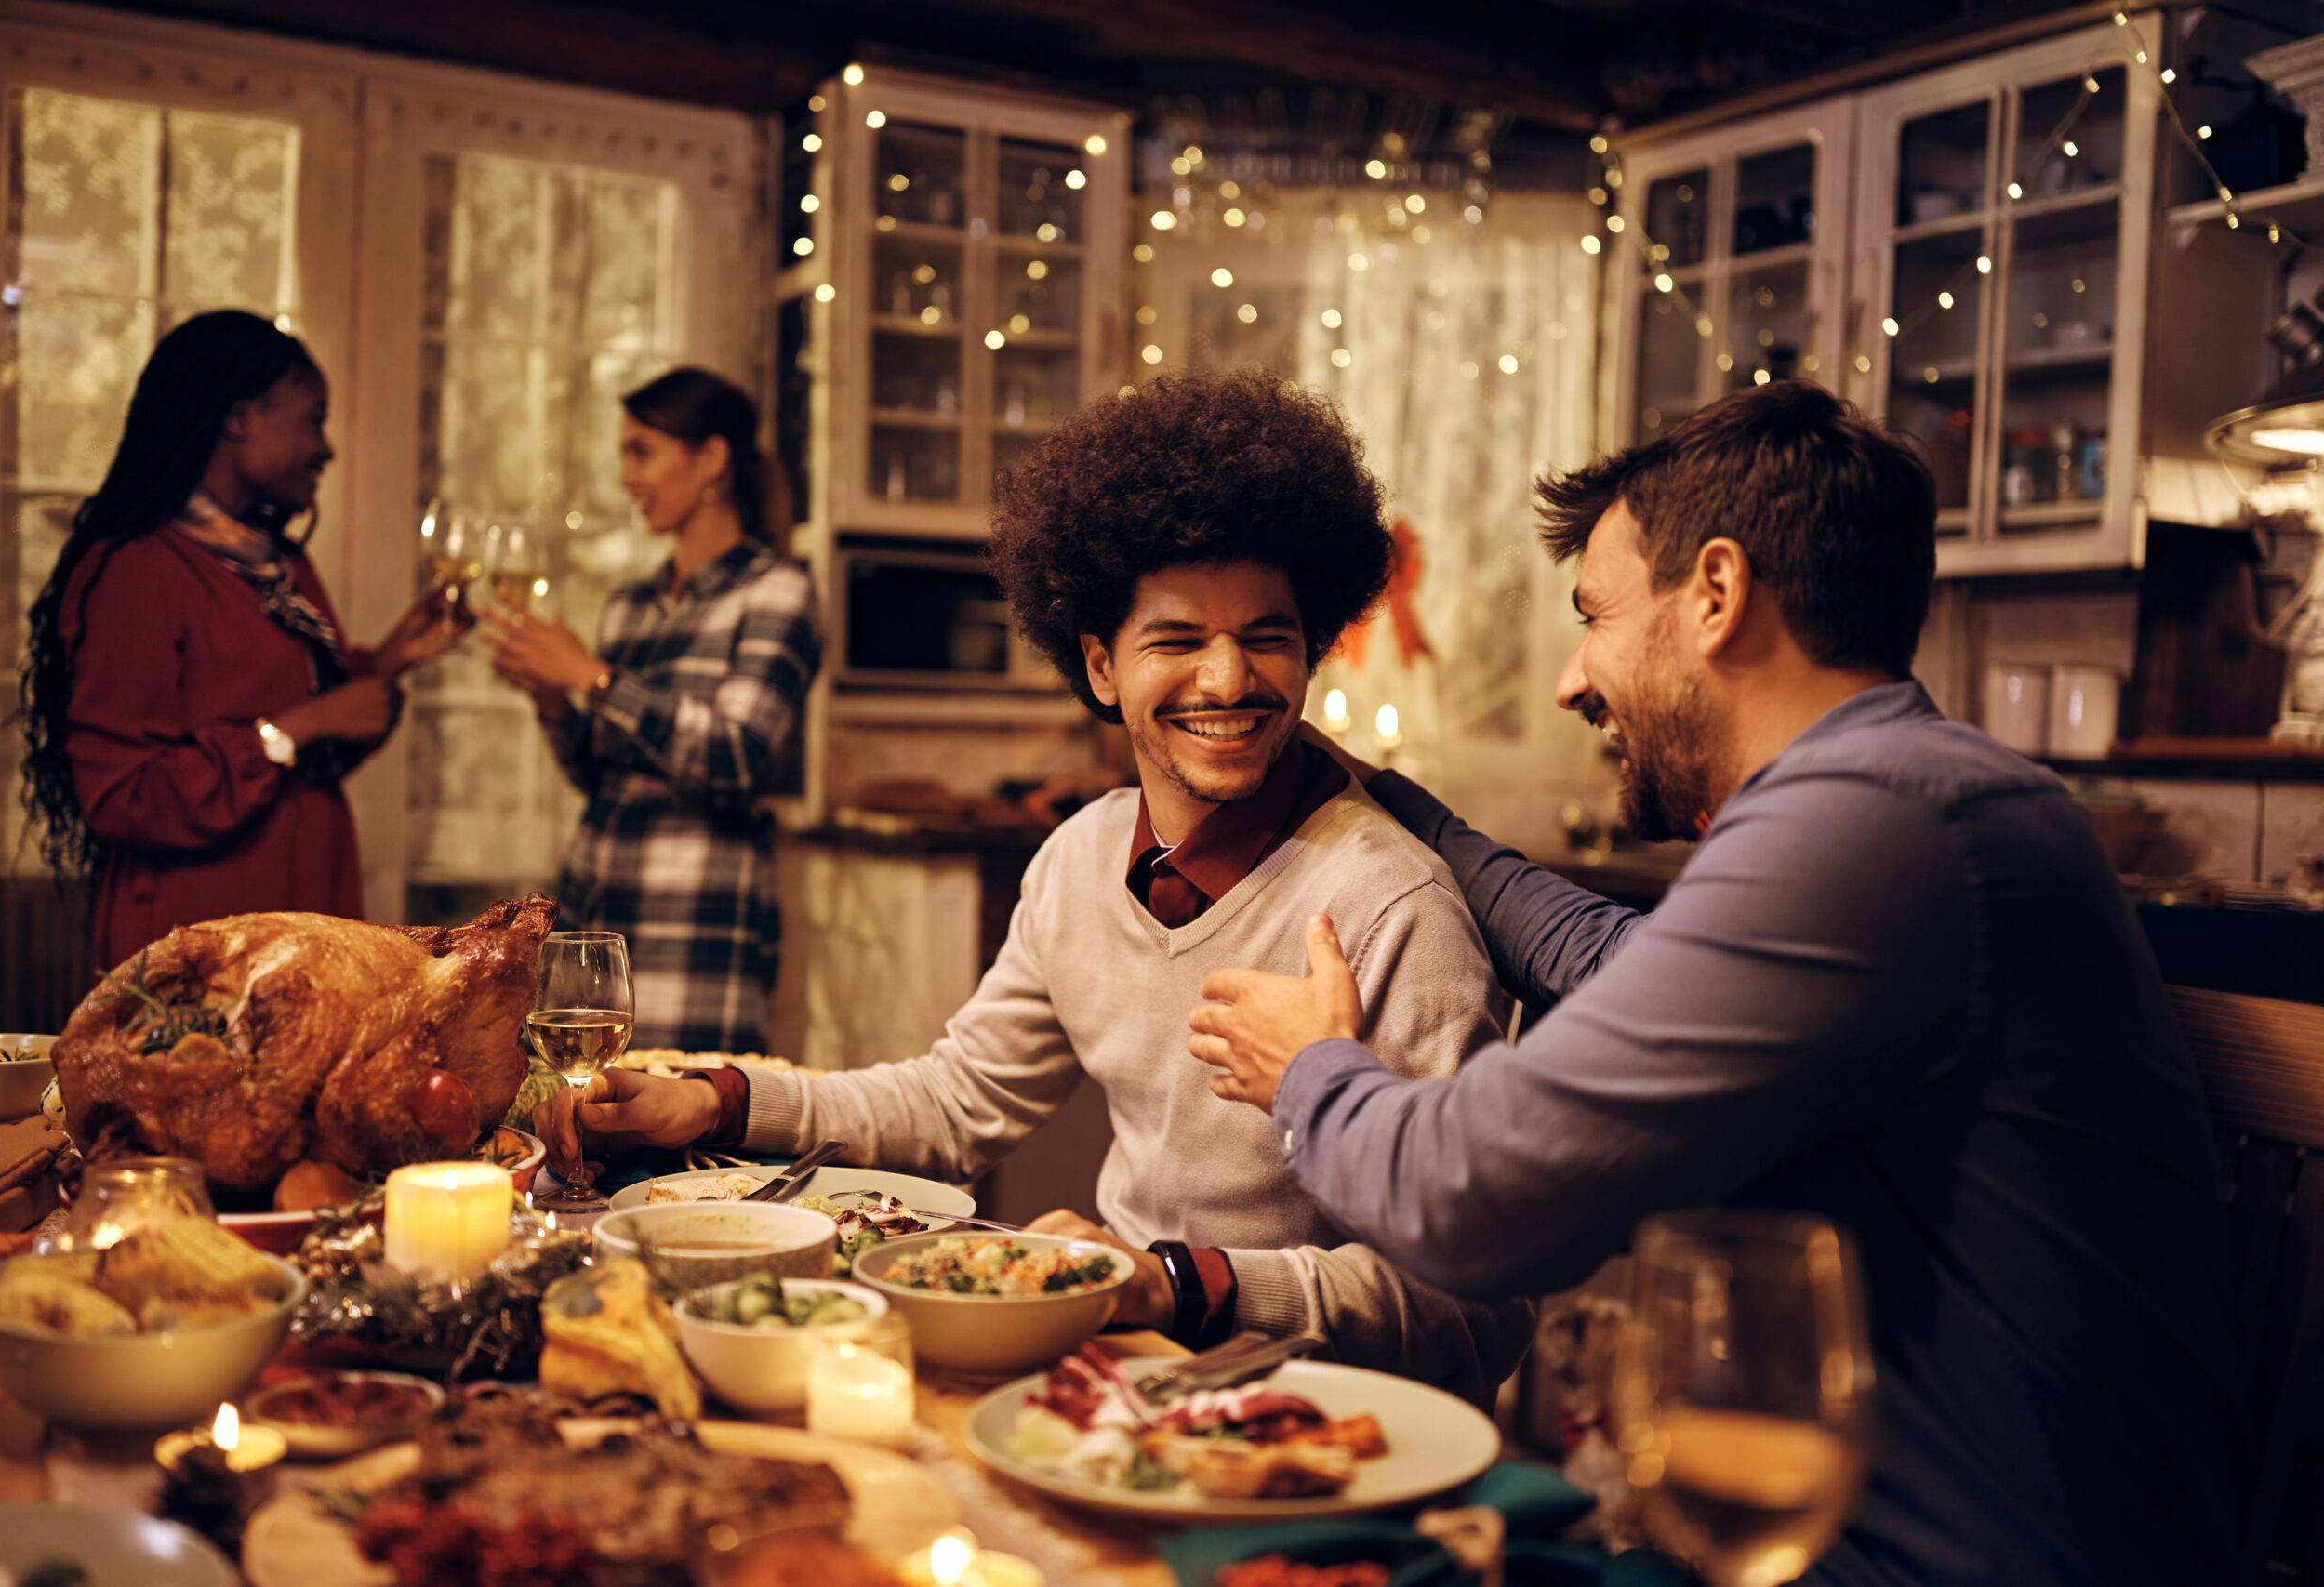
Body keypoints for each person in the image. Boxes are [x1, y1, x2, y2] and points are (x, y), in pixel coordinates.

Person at [1187, 379, 2239, 1586]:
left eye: (1596, 614)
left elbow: (1470, 1197)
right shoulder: (1902, 792)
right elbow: (1608, 958)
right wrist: (1390, 799)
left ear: (1719, 594)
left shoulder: (1880, 822)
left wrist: (1310, 1066)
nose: (1573, 678)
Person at [538, 370, 1531, 1396]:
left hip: (1333, 1431)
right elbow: (958, 1101)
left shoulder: (1393, 907)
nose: (1229, 679)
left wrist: (1178, 1287)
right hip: (1118, 1388)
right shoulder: (1082, 858)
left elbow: (1473, 1310)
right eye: (1179, 640)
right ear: (1101, 667)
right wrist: (713, 1103)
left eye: (1266, 638)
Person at [19, 310, 463, 972]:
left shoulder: (277, 565)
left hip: (298, 940)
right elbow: (122, 795)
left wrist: (385, 663)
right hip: (195, 956)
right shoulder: (138, 569)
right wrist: (303, 725)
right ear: (238, 418)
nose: (328, 447)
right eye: (313, 418)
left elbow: (293, 725)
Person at [485, 368, 817, 1053]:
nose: (626, 477)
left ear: (713, 459)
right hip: (597, 910)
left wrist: (592, 676)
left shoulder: (776, 592)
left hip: (694, 929)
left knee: (688, 1133)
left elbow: (737, 757)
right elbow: (599, 773)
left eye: (642, 451)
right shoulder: (629, 606)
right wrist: (554, 701)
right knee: (580, 1124)